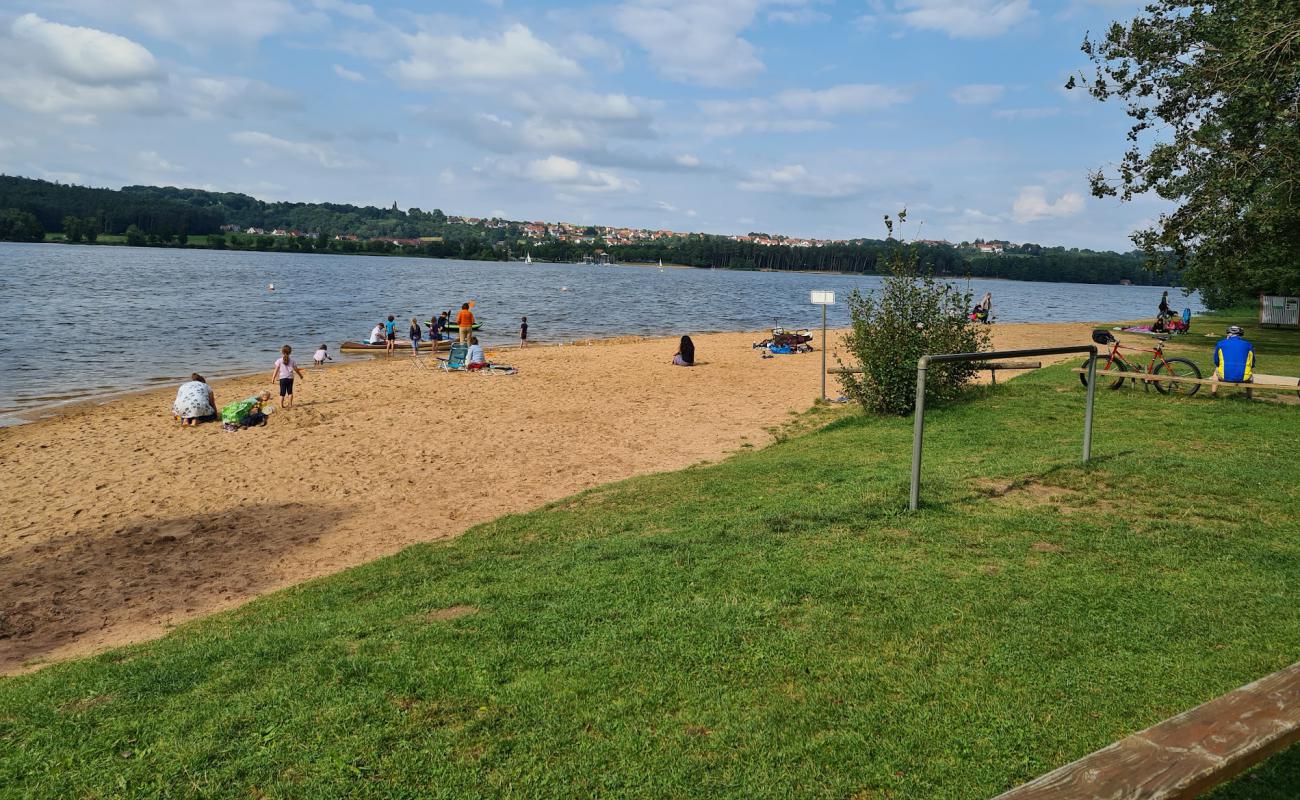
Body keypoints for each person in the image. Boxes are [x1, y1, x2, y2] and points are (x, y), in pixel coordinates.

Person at [1211, 325, 1256, 397]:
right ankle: (1249, 396)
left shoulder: (1220, 343)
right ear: (1240, 335)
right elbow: (1252, 362)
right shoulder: (1248, 345)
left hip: (1224, 377)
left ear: (1228, 334)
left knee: (1216, 370)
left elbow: (1216, 361)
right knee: (1250, 375)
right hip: (1244, 378)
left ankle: (1213, 393)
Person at [270, 344, 306, 409]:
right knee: (290, 392)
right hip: (290, 378)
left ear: (282, 352)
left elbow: (276, 370)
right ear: (290, 352)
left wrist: (273, 378)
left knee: (282, 392)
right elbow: (296, 370)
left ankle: (281, 405)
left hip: (282, 378)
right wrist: (300, 375)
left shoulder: (279, 360)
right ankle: (290, 404)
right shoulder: (292, 361)